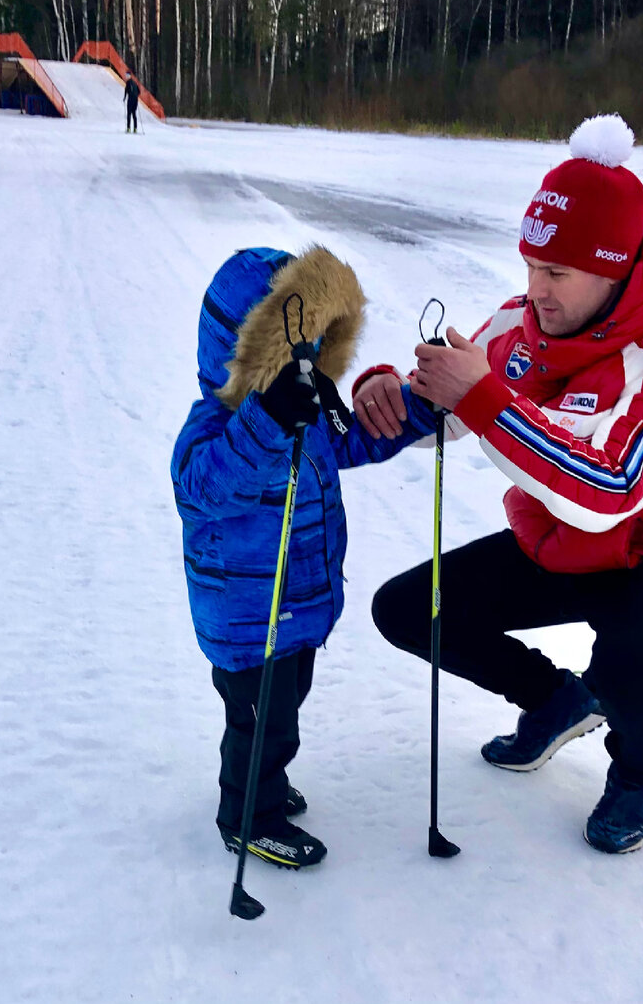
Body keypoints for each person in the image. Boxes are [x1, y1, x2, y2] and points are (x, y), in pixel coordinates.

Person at [356, 114, 643, 854]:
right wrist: (393, 393)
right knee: (407, 609)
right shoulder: (523, 322)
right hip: (565, 543)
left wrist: (485, 398)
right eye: (530, 265)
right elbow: (449, 400)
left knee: (632, 667)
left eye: (556, 273)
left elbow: (612, 488)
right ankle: (555, 698)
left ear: (616, 268)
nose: (535, 289)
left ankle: (636, 769)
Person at [172, 246, 437, 869]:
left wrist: (420, 409)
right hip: (248, 617)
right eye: (295, 342)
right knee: (260, 720)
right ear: (247, 347)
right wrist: (266, 420)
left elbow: (358, 440)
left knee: (283, 711)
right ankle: (246, 816)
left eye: (316, 341)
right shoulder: (213, 425)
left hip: (297, 607)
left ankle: (266, 783)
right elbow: (207, 487)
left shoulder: (310, 411)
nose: (310, 357)